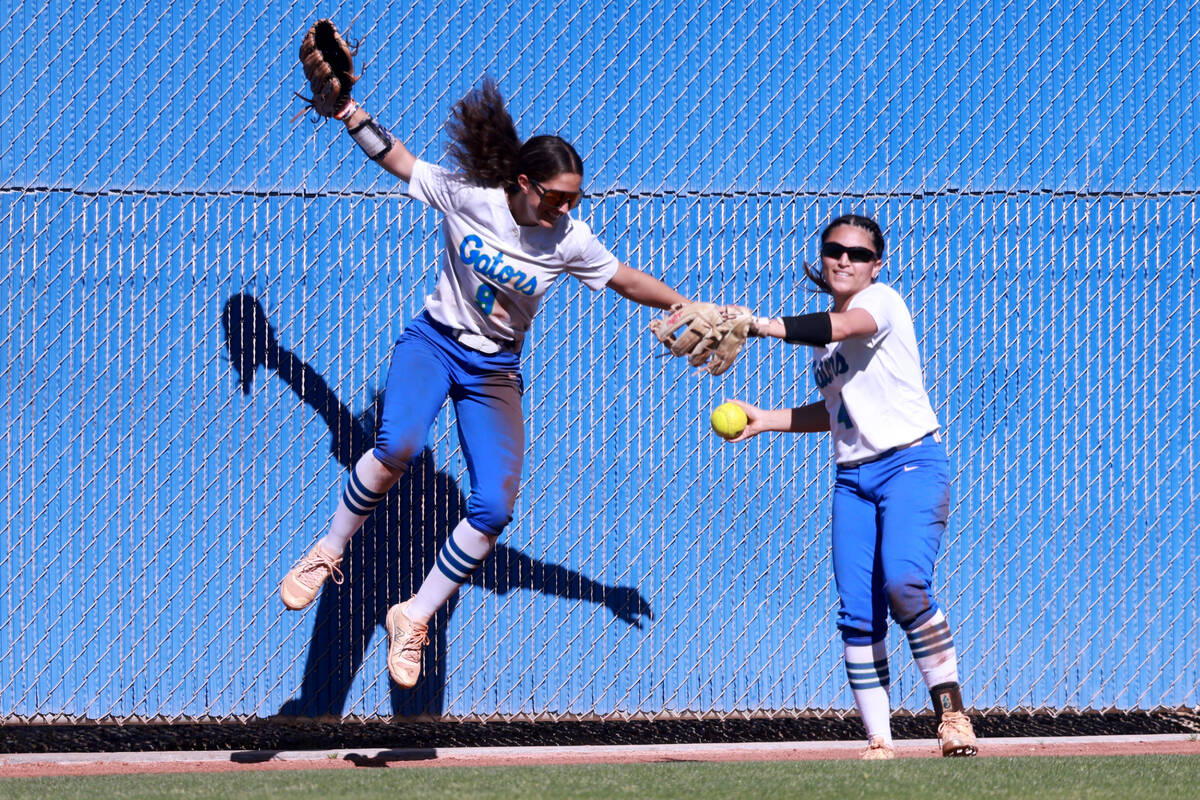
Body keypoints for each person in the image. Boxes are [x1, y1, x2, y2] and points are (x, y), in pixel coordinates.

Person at [280, 77, 696, 690]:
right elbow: (397, 159)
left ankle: (414, 616)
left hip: (494, 369)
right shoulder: (470, 196)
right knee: (397, 446)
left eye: (575, 197)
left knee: (496, 505)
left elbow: (624, 279)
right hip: (435, 342)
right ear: (524, 184)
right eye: (557, 196)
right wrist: (347, 112)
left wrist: (683, 303)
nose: (567, 207)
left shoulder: (568, 239)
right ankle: (328, 549)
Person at [726, 214, 978, 760]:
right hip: (854, 480)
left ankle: (952, 713)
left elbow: (840, 327)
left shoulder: (881, 302)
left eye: (858, 253)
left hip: (910, 464)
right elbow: (839, 411)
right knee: (858, 612)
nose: (844, 260)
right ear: (822, 258)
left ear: (876, 265)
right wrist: (768, 418)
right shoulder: (825, 342)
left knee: (906, 584)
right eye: (834, 250)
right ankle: (879, 742)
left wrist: (761, 325)